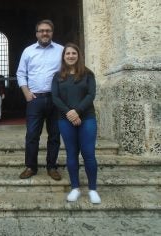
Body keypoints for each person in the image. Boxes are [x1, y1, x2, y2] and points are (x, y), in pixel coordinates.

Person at [51, 43, 101, 204]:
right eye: (68, 54)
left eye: (74, 53)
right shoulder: (58, 76)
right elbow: (55, 97)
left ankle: (93, 189)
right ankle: (75, 188)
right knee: (71, 153)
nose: (71, 56)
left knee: (88, 153)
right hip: (65, 119)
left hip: (87, 118)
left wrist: (77, 111)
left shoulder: (88, 74)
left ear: (78, 56)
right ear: (63, 56)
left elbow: (91, 94)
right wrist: (70, 113)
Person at [16, 19, 64, 181]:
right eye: (41, 30)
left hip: (56, 99)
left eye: (48, 30)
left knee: (55, 135)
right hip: (35, 99)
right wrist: (26, 92)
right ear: (36, 33)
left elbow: (68, 71)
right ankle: (31, 166)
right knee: (32, 135)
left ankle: (52, 166)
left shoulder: (61, 50)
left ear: (52, 33)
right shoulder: (28, 51)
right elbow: (21, 73)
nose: (45, 33)